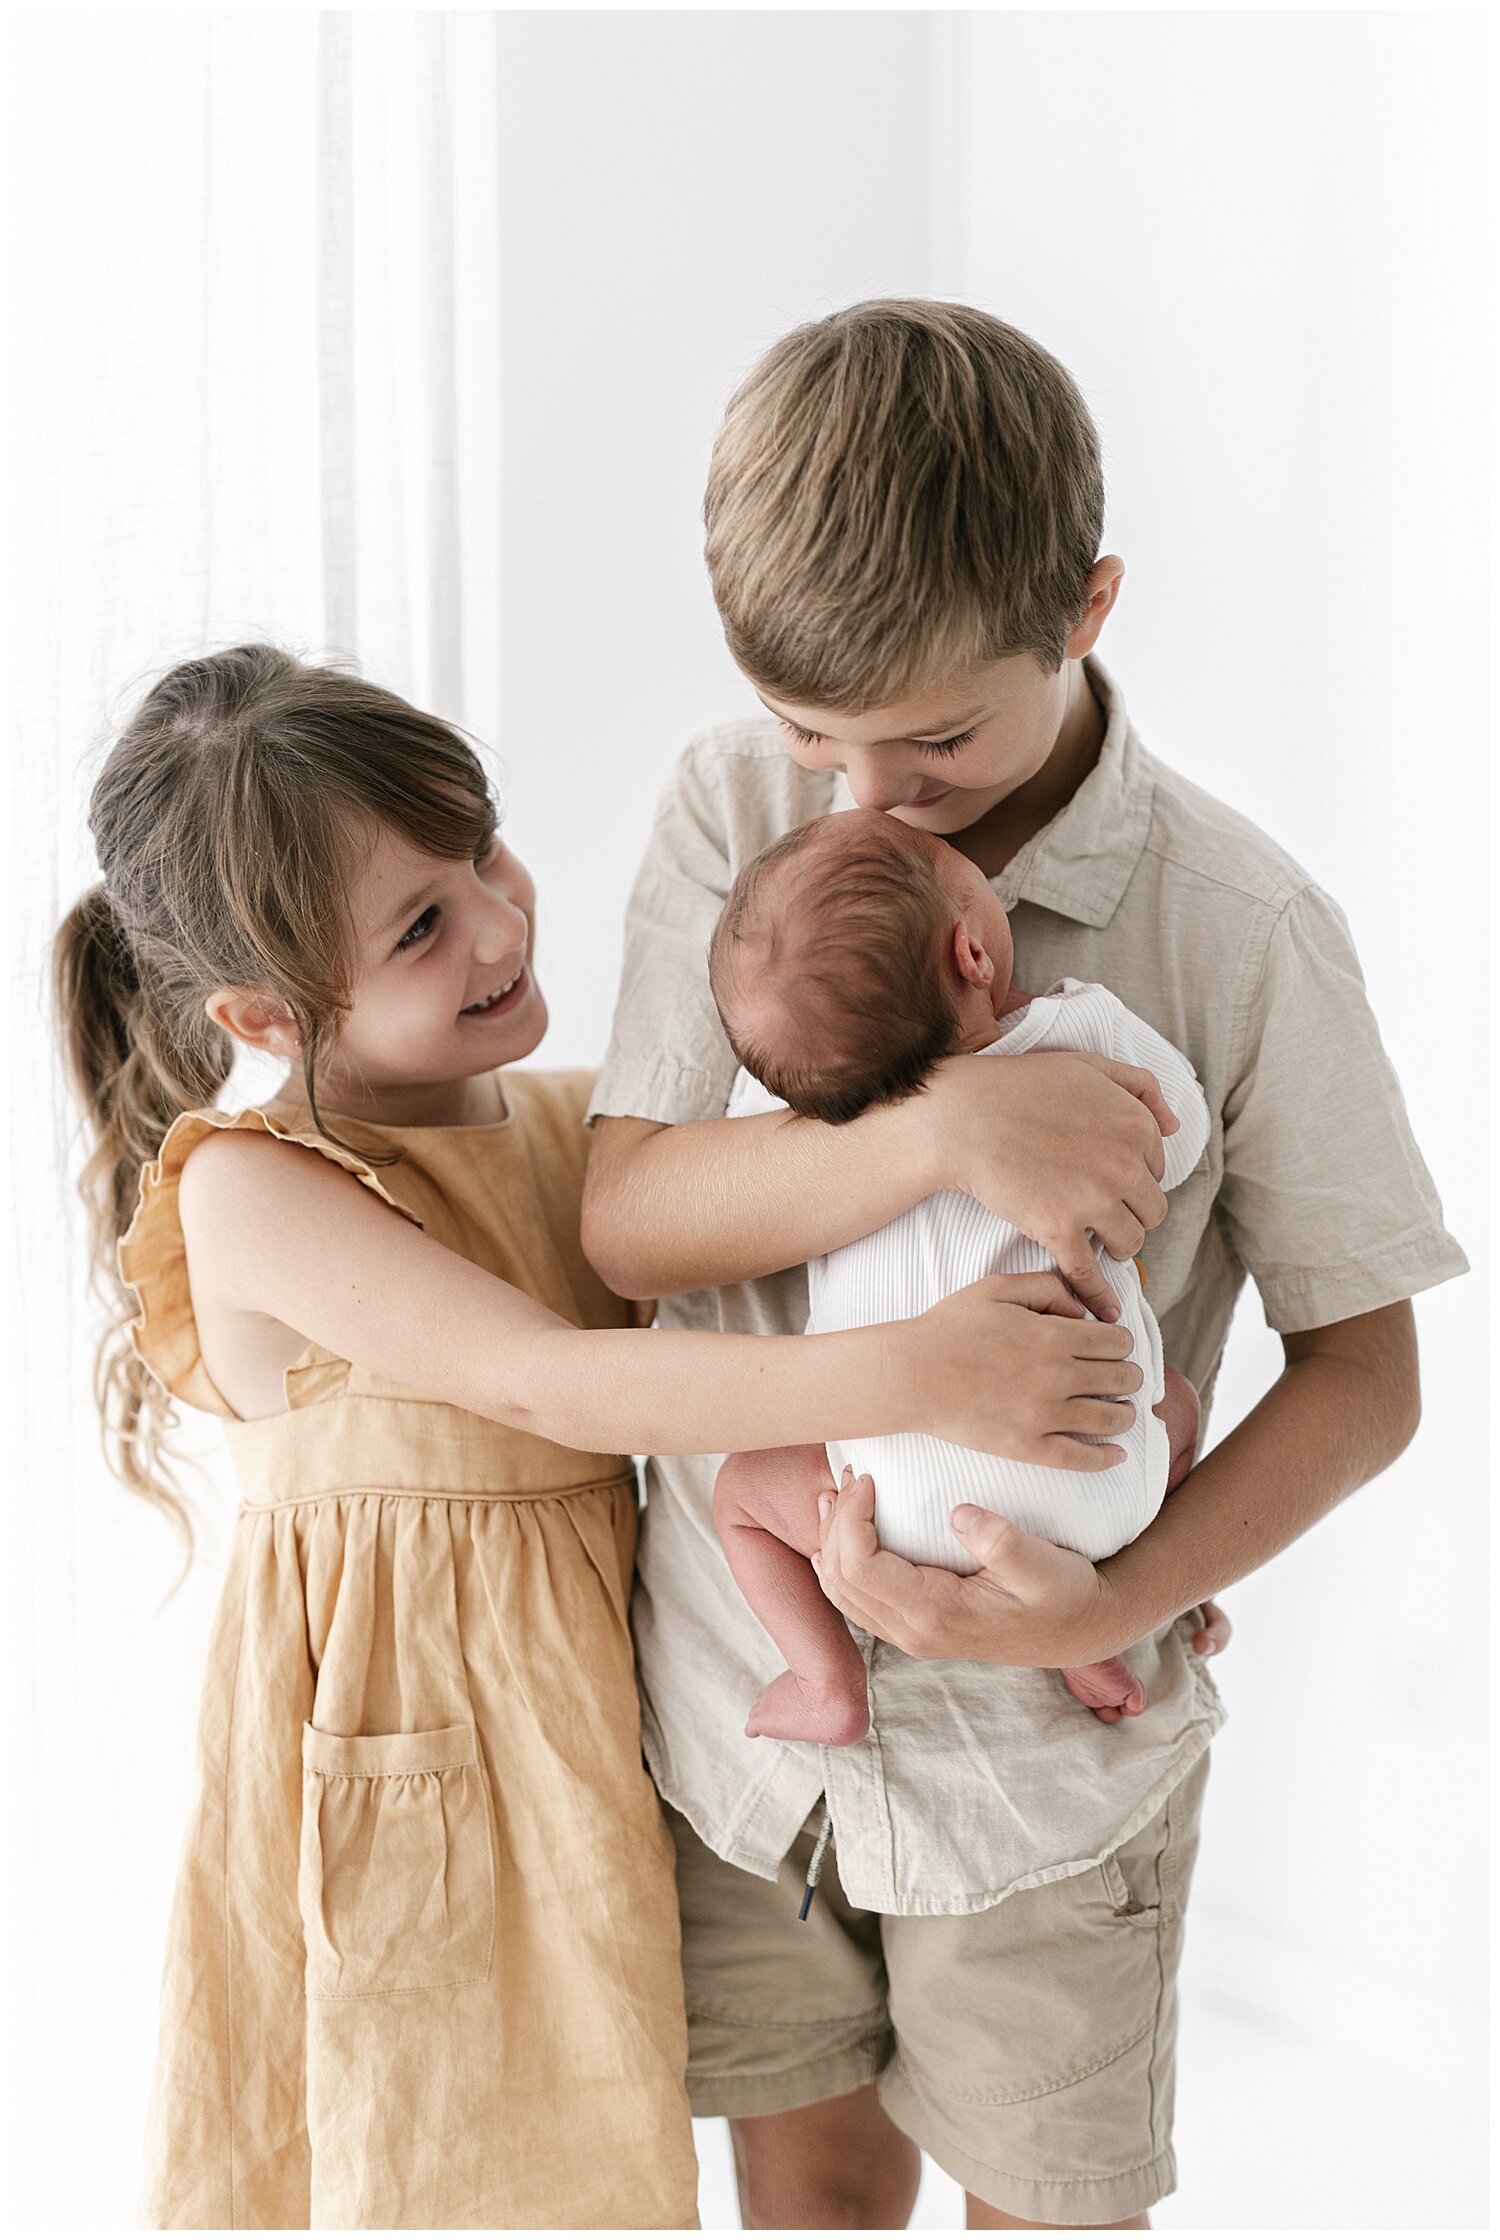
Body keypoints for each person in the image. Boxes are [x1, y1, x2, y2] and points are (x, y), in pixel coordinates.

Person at [580, 300, 1467, 2231]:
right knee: (805, 2190)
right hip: (750, 1718)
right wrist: (937, 1135)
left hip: (1047, 1775)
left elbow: (1369, 1374)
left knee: (1049, 2206)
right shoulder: (734, 809)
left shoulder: (1240, 934)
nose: (869, 797)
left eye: (936, 737)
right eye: (816, 731)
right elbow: (628, 1216)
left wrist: (1113, 1604)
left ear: (1087, 608)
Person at [51, 643, 1088, 2231]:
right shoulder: (251, 1189)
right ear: (264, 1011)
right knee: (439, 2158)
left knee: (602, 2163)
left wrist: (1076, 1519)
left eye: (484, 853)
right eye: (421, 924)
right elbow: (557, 1384)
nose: (501, 921)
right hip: (409, 1781)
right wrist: (922, 1372)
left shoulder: (570, 1129)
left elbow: (805, 1241)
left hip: (593, 1746)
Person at [708, 808, 1208, 1745]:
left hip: (881, 1507)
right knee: (1174, 1400)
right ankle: (1086, 1625)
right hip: (1104, 1484)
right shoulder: (1075, 1034)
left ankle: (825, 1679)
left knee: (741, 1494)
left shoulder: (794, 1123)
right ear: (972, 954)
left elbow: (737, 1172)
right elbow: (1181, 1138)